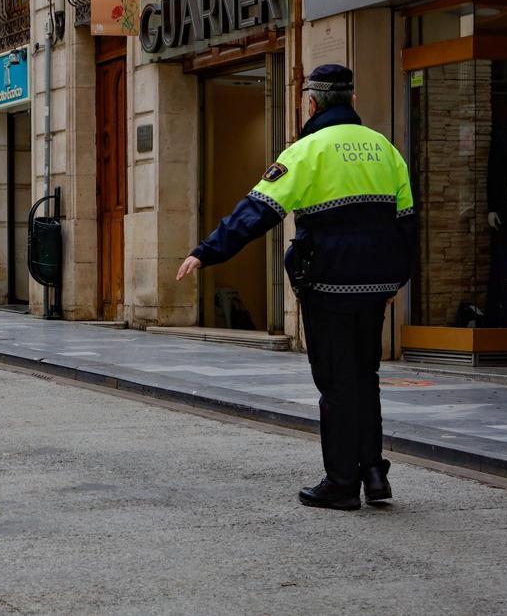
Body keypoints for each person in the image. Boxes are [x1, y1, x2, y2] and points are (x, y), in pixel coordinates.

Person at [177, 64, 417, 511]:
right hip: (376, 284)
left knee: (335, 382)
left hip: (329, 282)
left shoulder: (307, 149)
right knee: (366, 377)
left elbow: (258, 209)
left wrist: (208, 251)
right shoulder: (386, 149)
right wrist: (396, 279)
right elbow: (407, 223)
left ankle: (341, 483)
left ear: (310, 103)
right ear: (353, 101)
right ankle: (373, 473)